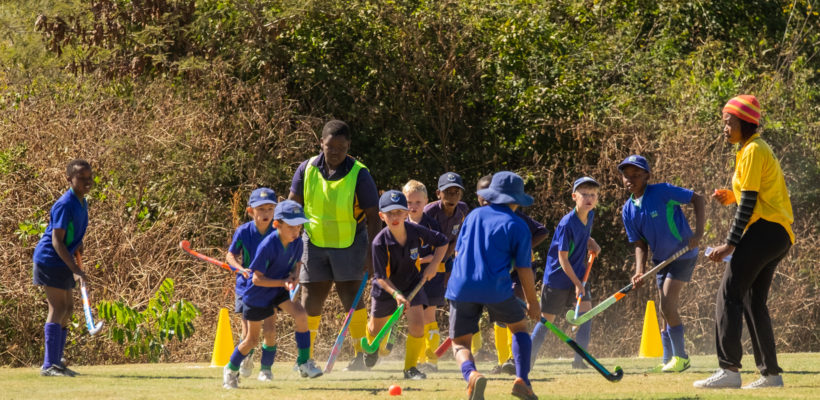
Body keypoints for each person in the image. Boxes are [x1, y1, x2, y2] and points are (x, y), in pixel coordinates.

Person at [694, 95, 793, 389]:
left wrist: (730, 244)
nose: (724, 128)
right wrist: (732, 195)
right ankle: (771, 375)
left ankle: (729, 370)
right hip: (778, 234)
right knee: (752, 301)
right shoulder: (752, 149)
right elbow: (753, 194)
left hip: (764, 231)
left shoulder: (752, 150)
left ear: (746, 123)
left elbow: (749, 204)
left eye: (729, 122)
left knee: (729, 294)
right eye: (724, 122)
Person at [288, 120, 381, 370]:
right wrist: (287, 247)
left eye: (341, 147)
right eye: (330, 146)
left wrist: (372, 255)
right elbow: (292, 207)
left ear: (348, 146)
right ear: (321, 143)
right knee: (310, 299)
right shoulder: (306, 169)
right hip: (314, 242)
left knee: (351, 297)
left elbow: (374, 216)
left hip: (350, 243)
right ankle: (304, 358)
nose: (335, 152)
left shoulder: (359, 173)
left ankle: (363, 353)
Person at [446, 171, 541, 400]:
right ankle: (522, 381)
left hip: (461, 286)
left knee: (460, 343)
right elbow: (524, 268)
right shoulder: (518, 226)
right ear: (517, 200)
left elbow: (458, 251)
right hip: (496, 287)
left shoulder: (473, 216)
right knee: (518, 328)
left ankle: (472, 375)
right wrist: (532, 302)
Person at [618, 155, 705, 373]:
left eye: (636, 175)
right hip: (661, 261)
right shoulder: (627, 210)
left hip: (683, 254)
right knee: (663, 309)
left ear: (647, 176)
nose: (631, 180)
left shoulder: (662, 192)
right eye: (626, 176)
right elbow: (639, 244)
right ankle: (667, 360)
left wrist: (699, 233)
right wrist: (639, 271)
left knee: (667, 305)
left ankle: (682, 358)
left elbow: (698, 199)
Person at [223, 200, 323, 389]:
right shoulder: (267, 246)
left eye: (299, 226)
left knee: (301, 315)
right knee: (251, 340)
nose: (296, 231)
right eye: (291, 227)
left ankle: (304, 363)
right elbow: (256, 280)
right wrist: (283, 282)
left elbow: (297, 264)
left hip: (277, 289)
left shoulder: (298, 242)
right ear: (277, 224)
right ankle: (230, 368)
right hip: (257, 295)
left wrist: (294, 276)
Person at [363, 190, 448, 379]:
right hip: (386, 289)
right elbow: (380, 277)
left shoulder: (416, 231)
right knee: (376, 330)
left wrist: (434, 265)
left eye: (399, 212)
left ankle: (410, 368)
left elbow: (442, 242)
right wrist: (396, 295)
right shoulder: (379, 243)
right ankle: (372, 348)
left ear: (406, 213)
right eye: (389, 213)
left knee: (418, 325)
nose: (395, 217)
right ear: (381, 216)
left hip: (412, 285)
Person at [475, 174, 549, 376]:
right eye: (483, 199)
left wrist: (521, 252)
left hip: (520, 272)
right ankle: (502, 361)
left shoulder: (517, 218)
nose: (487, 202)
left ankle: (512, 359)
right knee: (498, 316)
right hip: (498, 275)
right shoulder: (479, 220)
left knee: (514, 303)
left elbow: (542, 231)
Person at [530, 177, 601, 370]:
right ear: (574, 197)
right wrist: (578, 284)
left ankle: (580, 360)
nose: (589, 198)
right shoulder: (566, 224)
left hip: (578, 276)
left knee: (586, 315)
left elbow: (582, 236)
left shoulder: (590, 215)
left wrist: (590, 242)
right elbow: (562, 258)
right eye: (584, 194)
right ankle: (526, 361)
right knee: (546, 322)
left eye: (593, 195)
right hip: (557, 279)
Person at [33, 159, 93, 377]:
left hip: (64, 258)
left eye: (90, 177)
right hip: (51, 259)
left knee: (68, 309)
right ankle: (49, 365)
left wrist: (78, 244)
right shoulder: (64, 204)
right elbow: (57, 241)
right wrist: (75, 270)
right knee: (57, 308)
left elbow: (70, 233)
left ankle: (57, 361)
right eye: (81, 178)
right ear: (69, 179)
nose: (87, 182)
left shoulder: (81, 202)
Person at [225, 188, 277, 380]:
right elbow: (230, 255)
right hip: (246, 287)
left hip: (269, 287)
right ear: (250, 211)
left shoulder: (278, 232)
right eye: (261, 209)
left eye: (270, 209)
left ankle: (266, 369)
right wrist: (240, 268)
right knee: (249, 336)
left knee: (270, 331)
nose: (266, 213)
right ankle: (240, 364)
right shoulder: (243, 232)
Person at [423, 172, 477, 353]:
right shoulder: (429, 212)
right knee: (426, 306)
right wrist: (436, 260)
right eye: (447, 192)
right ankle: (427, 352)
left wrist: (446, 258)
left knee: (465, 296)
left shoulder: (463, 209)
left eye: (456, 192)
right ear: (438, 193)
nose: (452, 196)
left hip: (449, 258)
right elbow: (420, 240)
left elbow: (460, 236)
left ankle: (474, 345)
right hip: (427, 261)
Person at [402, 180, 446, 372]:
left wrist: (425, 261)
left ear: (426, 201)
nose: (413, 206)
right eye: (409, 202)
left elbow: (440, 250)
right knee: (416, 317)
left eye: (418, 202)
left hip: (431, 276)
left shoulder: (432, 224)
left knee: (429, 316)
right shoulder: (400, 224)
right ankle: (419, 359)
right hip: (411, 279)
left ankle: (432, 359)